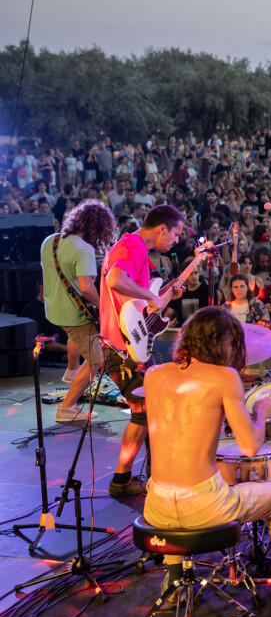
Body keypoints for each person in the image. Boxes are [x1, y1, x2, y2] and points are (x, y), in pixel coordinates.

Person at [142, 307, 271, 606]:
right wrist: (259, 413)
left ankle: (173, 586)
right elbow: (248, 447)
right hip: (202, 506)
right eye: (233, 343)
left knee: (172, 493)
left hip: (156, 507)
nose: (235, 350)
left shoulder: (154, 375)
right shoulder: (224, 376)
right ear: (221, 342)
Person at [100, 205, 186, 497]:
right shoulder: (133, 246)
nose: (176, 240)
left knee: (152, 406)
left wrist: (163, 293)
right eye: (175, 234)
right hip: (121, 347)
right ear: (162, 228)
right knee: (144, 409)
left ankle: (155, 474)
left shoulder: (133, 248)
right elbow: (114, 280)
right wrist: (151, 294)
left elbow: (138, 302)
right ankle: (122, 481)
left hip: (131, 343)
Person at [40, 200, 117, 425]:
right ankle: (68, 407)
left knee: (79, 340)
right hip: (74, 315)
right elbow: (85, 288)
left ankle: (72, 373)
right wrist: (105, 305)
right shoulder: (84, 249)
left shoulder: (50, 241)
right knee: (97, 359)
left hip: (53, 309)